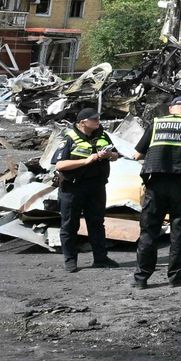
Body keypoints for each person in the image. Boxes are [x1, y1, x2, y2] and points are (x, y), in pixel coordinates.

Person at [132, 95, 181, 289]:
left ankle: (141, 278)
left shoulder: (156, 124)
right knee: (180, 229)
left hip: (155, 182)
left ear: (170, 109)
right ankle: (176, 276)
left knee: (149, 230)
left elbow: (137, 155)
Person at [49, 108, 122, 273]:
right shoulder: (69, 139)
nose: (98, 122)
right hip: (72, 187)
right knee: (69, 224)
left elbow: (117, 155)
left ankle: (101, 258)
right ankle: (70, 261)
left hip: (96, 186)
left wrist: (109, 155)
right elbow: (59, 164)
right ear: (83, 122)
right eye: (94, 119)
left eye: (98, 119)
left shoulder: (102, 135)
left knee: (96, 223)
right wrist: (87, 160)